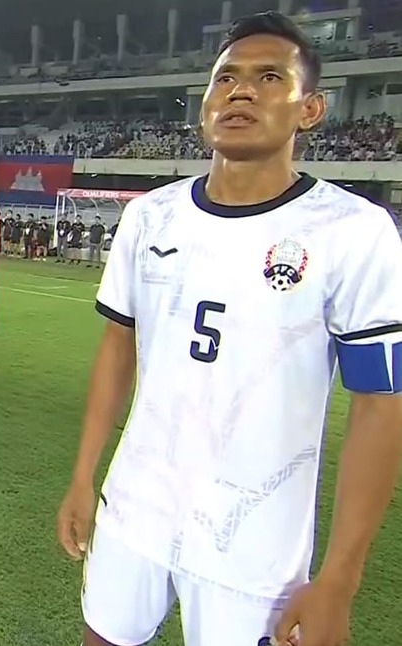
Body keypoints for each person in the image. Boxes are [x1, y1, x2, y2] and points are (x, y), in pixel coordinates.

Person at [56, 12, 402, 646]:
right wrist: (84, 476)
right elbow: (118, 346)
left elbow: (382, 404)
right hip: (136, 506)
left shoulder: (354, 231)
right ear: (205, 105)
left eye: (270, 77)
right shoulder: (150, 218)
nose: (241, 91)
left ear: (311, 110)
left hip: (254, 539)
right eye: (226, 79)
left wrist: (340, 579)